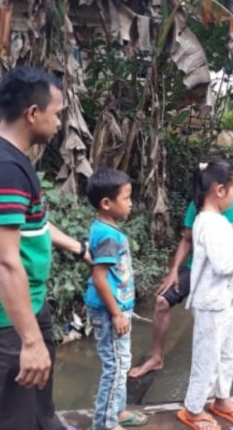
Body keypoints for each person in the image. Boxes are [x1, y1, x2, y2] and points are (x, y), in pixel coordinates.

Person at [0, 67, 91, 430]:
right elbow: (4, 261)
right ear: (33, 113)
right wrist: (30, 341)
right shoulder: (2, 169)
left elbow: (33, 224)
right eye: (57, 113)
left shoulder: (10, 159)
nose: (60, 122)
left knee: (39, 414)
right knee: (10, 420)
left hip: (23, 307)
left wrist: (79, 248)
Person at [176, 160, 233, 430]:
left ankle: (221, 399)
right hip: (211, 303)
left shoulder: (212, 220)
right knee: (207, 356)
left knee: (227, 352)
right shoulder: (210, 224)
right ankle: (193, 408)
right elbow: (224, 264)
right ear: (220, 191)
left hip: (224, 300)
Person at [128, 197, 233, 378]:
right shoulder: (198, 205)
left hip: (225, 274)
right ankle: (156, 357)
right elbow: (187, 240)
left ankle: (218, 367)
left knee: (221, 319)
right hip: (194, 268)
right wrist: (174, 271)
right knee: (162, 301)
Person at [84, 168, 148, 430]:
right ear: (107, 203)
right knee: (115, 367)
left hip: (115, 308)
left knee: (121, 362)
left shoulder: (105, 228)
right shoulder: (109, 235)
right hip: (111, 311)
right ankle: (105, 424)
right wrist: (117, 313)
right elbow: (100, 278)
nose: (131, 202)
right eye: (127, 197)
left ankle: (117, 412)